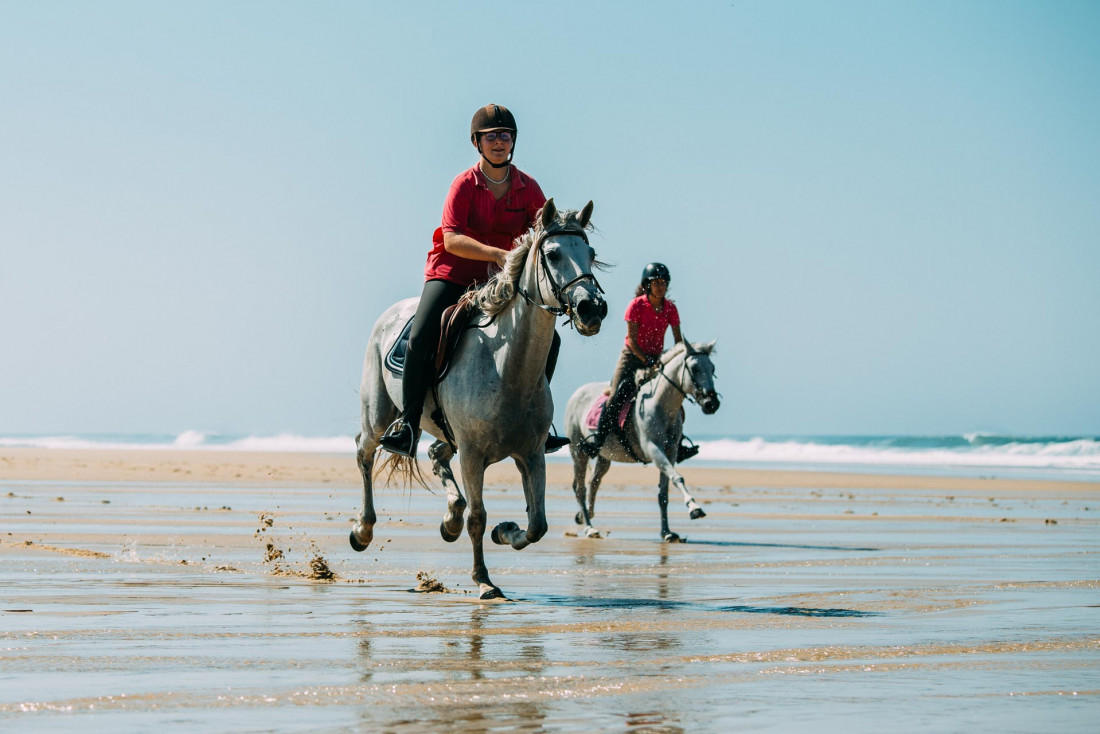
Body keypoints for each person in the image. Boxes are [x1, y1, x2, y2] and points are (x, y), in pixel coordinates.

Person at [379, 103, 569, 458]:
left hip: (501, 281)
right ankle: (406, 424)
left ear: (513, 141)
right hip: (453, 274)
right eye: (491, 136)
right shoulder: (464, 184)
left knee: (551, 339)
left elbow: (546, 232)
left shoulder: (529, 188)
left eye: (505, 135)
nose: (499, 142)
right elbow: (451, 239)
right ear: (477, 143)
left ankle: (536, 420)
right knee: (421, 336)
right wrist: (497, 254)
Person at [581, 262, 682, 458]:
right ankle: (597, 441)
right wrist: (646, 360)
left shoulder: (670, 309)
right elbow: (633, 341)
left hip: (656, 358)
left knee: (674, 394)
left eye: (664, 283)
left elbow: (678, 341)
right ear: (647, 285)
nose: (660, 287)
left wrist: (676, 359)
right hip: (631, 356)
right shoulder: (636, 306)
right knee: (615, 397)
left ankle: (678, 442)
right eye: (656, 283)